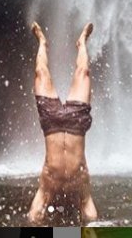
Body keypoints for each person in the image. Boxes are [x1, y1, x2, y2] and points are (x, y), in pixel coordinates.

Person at [27, 21, 98, 225]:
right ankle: (43, 41)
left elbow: (35, 213)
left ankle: (81, 41)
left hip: (52, 121)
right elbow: (89, 210)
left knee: (44, 72)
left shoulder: (52, 188)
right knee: (82, 72)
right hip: (76, 123)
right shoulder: (73, 188)